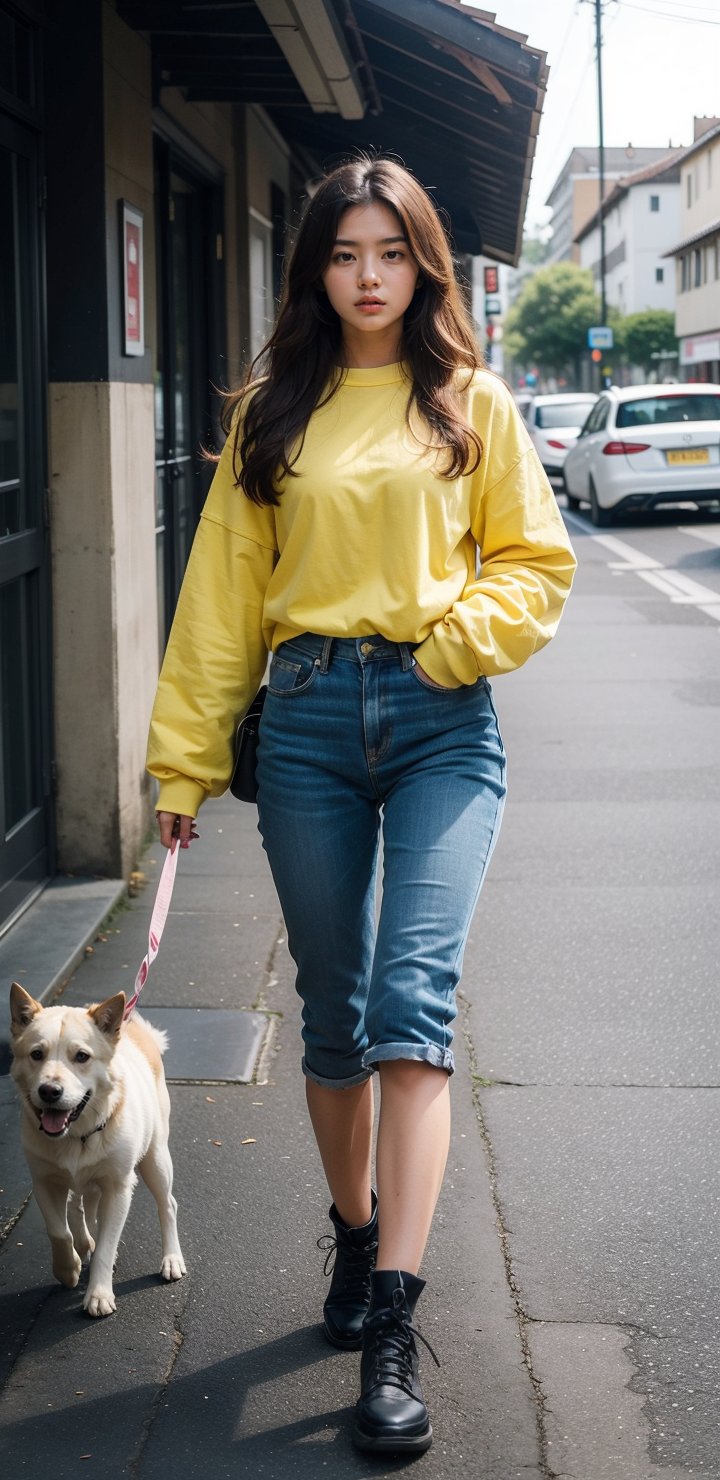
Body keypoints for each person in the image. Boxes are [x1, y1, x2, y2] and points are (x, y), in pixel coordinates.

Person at [146, 155, 577, 1456]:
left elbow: (536, 562)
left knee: (411, 1007)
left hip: (445, 725)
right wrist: (184, 759)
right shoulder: (272, 411)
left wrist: (452, 647)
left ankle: (395, 1316)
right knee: (330, 1018)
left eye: (392, 250)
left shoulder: (472, 404)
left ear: (425, 262)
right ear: (316, 268)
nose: (370, 274)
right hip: (313, 721)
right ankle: (351, 1232)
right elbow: (222, 593)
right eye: (346, 252)